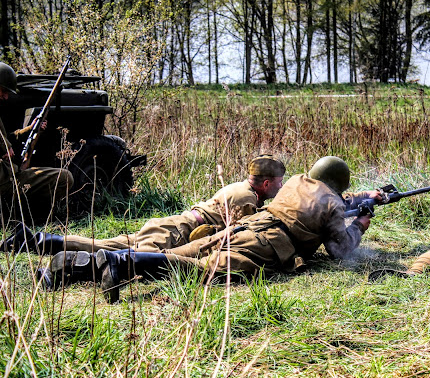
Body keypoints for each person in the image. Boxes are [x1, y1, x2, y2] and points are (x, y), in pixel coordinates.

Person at [50, 156, 380, 303]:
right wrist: (362, 222)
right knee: (203, 271)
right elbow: (341, 249)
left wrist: (363, 198)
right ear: (338, 184)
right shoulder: (333, 204)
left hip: (246, 226)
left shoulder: (296, 182)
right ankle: (123, 264)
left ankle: (73, 266)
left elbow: (324, 203)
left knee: (173, 255)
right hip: (266, 244)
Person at [14, 155, 286, 282]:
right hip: (177, 231)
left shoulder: (242, 190)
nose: (281, 187)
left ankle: (39, 241)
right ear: (266, 183)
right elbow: (240, 234)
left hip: (171, 226)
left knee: (108, 247)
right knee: (126, 265)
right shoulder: (246, 199)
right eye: (279, 182)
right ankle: (56, 274)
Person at [0, 62, 73, 222]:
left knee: (63, 177)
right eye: (3, 91)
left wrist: (32, 129)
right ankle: (15, 218)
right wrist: (3, 148)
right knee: (64, 178)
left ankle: (22, 217)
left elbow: (9, 138)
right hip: (5, 183)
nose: (5, 97)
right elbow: (4, 144)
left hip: (11, 176)